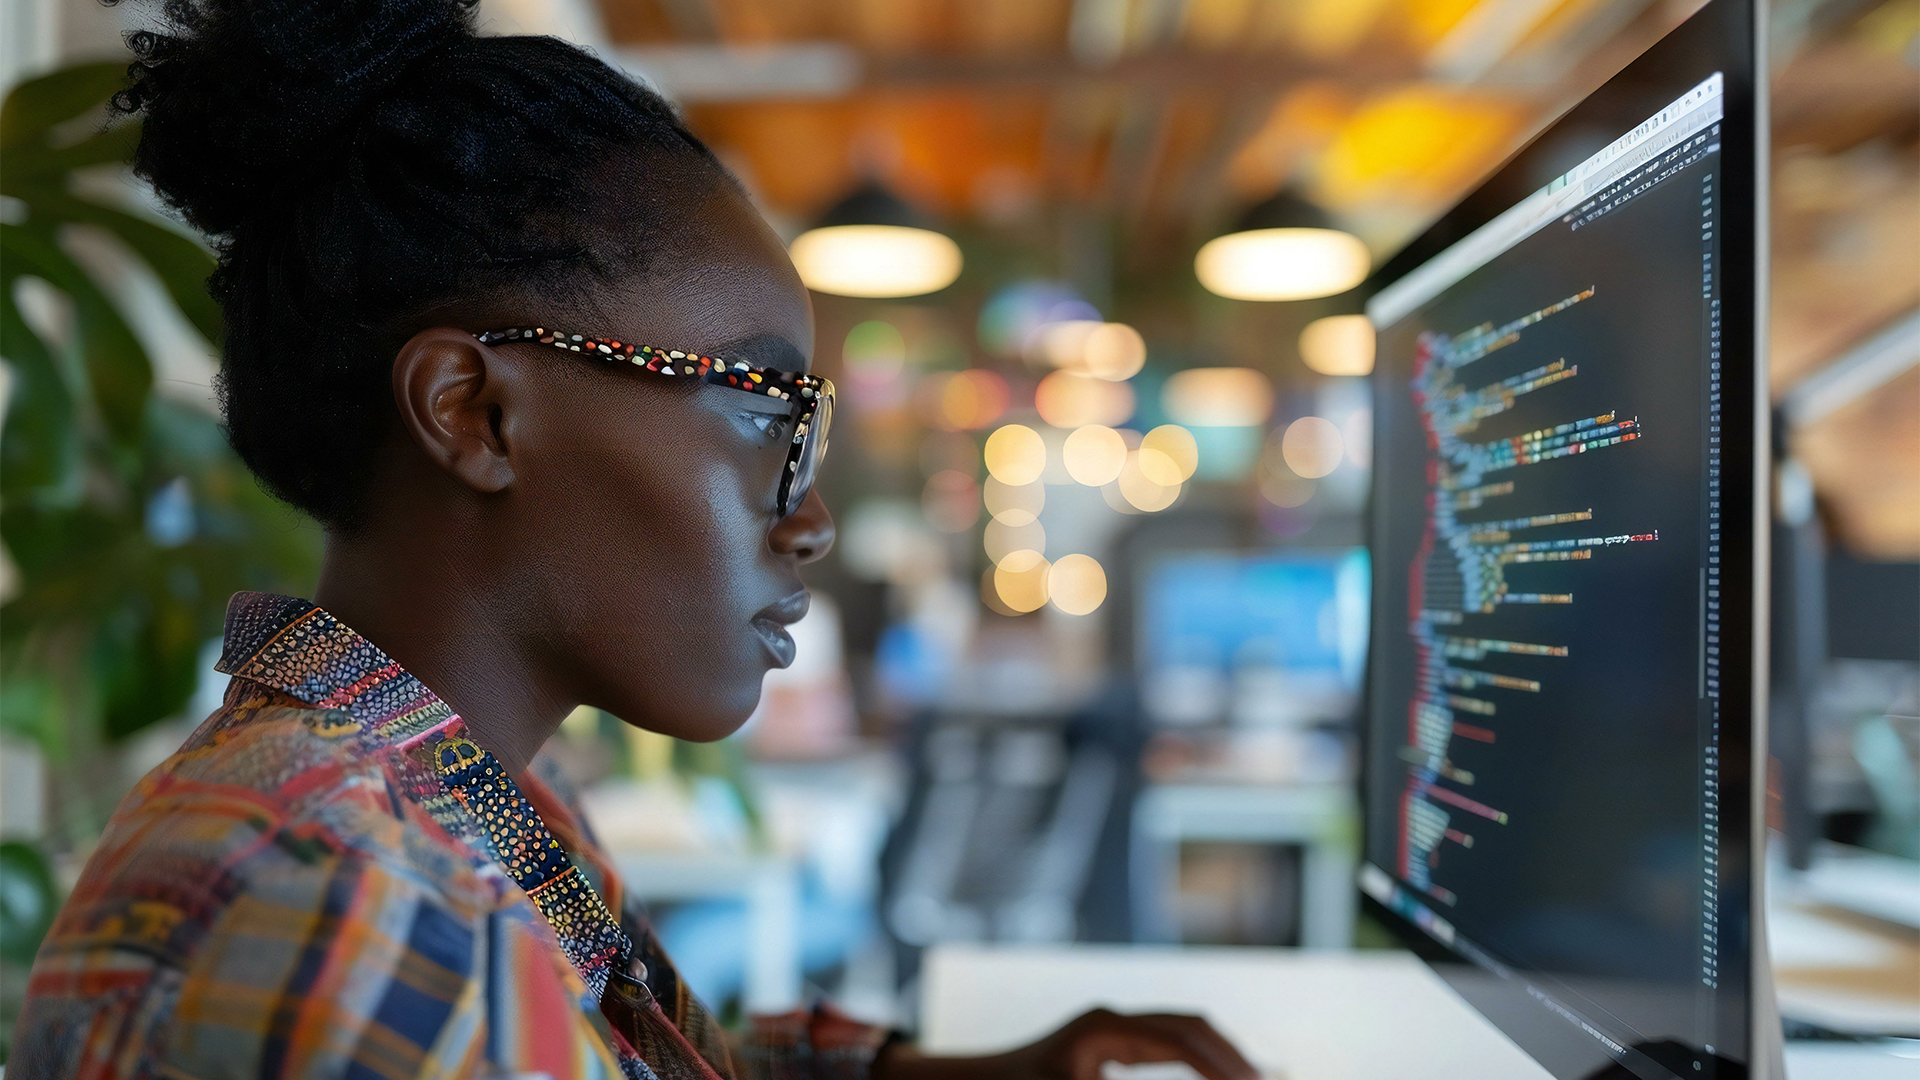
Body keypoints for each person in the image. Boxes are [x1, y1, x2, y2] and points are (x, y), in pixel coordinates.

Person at [11, 2, 1260, 1078]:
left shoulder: (442, 808)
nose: (811, 518)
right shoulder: (357, 917)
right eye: (764, 411)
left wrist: (934, 1069)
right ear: (475, 413)